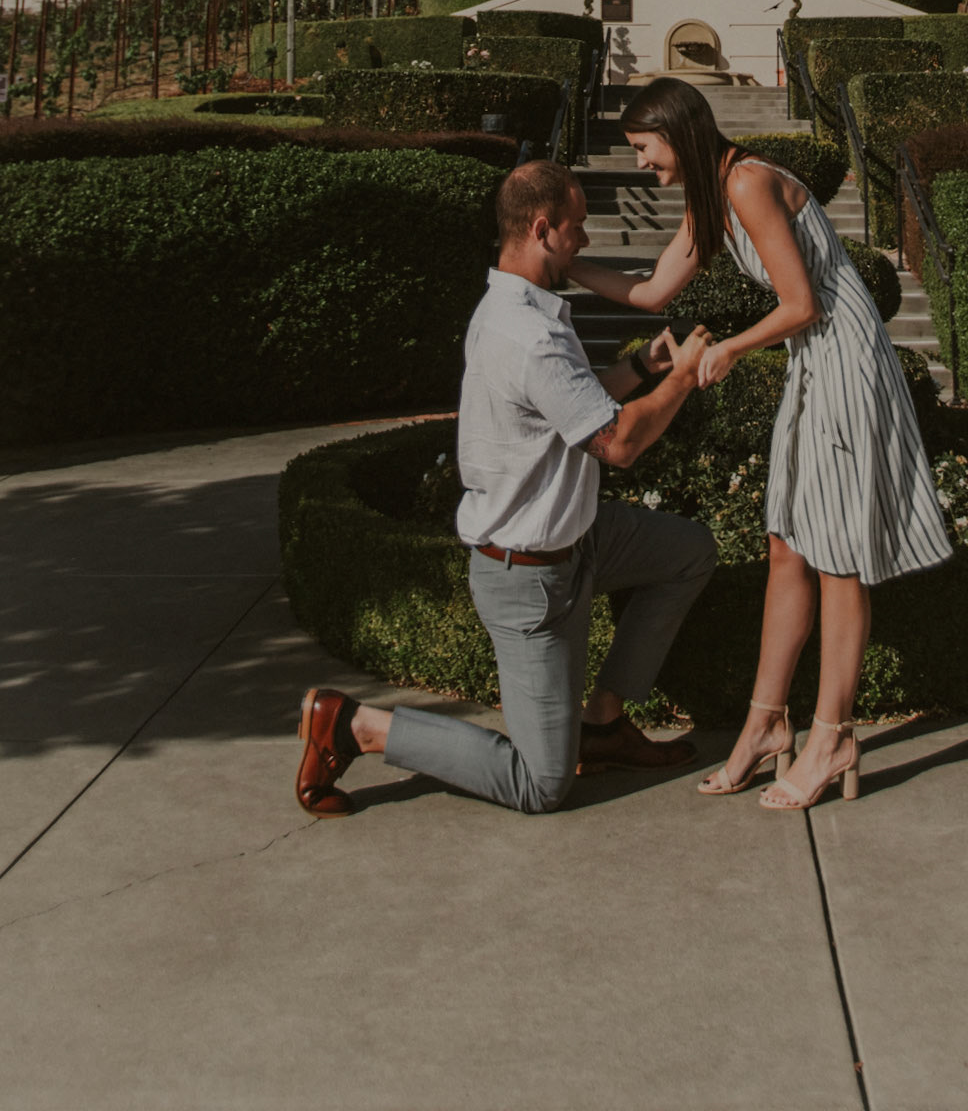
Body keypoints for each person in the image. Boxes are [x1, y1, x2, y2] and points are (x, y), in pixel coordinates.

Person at [566, 79, 951, 812]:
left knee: (837, 559)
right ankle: (765, 725)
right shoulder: (711, 197)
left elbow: (801, 301)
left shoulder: (746, 182)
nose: (644, 167)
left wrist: (731, 349)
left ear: (676, 134)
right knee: (786, 546)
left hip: (843, 359)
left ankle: (832, 735)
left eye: (646, 152)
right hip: (816, 360)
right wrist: (558, 267)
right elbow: (650, 294)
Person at [295, 160, 716, 819]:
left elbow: (574, 411)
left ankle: (602, 722)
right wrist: (683, 378)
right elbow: (619, 445)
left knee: (687, 550)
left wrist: (640, 367)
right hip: (528, 577)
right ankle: (359, 727)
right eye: (576, 229)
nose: (583, 243)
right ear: (543, 228)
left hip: (580, 539)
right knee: (540, 784)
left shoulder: (527, 311)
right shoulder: (528, 334)